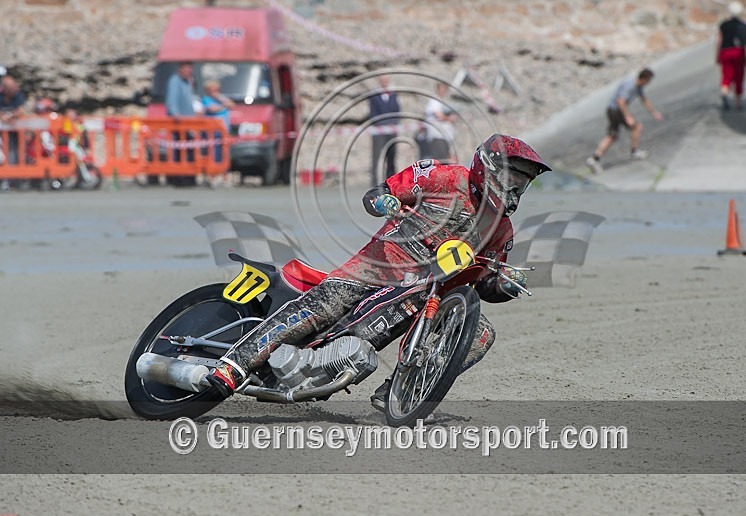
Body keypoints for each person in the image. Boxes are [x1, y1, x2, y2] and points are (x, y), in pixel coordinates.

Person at [203, 134, 552, 411]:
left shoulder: (501, 229)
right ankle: (234, 365)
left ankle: (402, 391)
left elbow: (484, 284)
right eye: (511, 178)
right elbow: (380, 192)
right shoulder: (444, 178)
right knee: (325, 303)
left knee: (482, 333)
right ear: (489, 167)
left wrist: (504, 284)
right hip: (380, 264)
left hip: (427, 293)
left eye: (521, 184)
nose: (514, 189)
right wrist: (383, 201)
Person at [586, 68, 663, 174]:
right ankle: (634, 152)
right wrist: (627, 117)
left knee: (612, 136)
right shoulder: (630, 85)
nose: (648, 83)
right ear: (644, 79)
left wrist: (654, 112)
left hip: (614, 110)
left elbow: (644, 100)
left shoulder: (638, 86)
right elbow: (621, 101)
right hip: (616, 111)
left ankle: (594, 159)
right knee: (637, 127)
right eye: (649, 81)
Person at [164, 61, 196, 186]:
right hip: (179, 123)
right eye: (186, 69)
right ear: (180, 69)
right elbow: (172, 100)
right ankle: (178, 176)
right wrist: (175, 115)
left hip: (189, 122)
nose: (189, 71)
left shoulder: (188, 82)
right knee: (179, 149)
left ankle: (189, 175)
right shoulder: (175, 81)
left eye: (190, 69)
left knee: (189, 149)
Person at [368, 74, 401, 187]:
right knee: (376, 157)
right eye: (383, 80)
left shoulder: (393, 94)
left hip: (391, 132)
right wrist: (382, 125)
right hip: (379, 132)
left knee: (391, 157)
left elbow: (397, 110)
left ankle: (391, 183)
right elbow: (373, 113)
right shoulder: (374, 95)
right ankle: (374, 183)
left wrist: (393, 124)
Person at [717, 2, 746, 110]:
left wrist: (717, 55)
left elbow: (719, 41)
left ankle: (724, 93)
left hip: (725, 51)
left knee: (726, 76)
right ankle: (738, 102)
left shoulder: (724, 25)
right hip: (738, 52)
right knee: (739, 77)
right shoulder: (744, 26)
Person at [423, 82, 458, 163]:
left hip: (443, 136)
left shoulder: (440, 101)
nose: (444, 91)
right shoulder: (434, 101)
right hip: (437, 136)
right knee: (440, 161)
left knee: (445, 160)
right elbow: (439, 115)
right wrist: (450, 119)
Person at [201, 79, 233, 166]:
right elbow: (212, 109)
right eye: (213, 90)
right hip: (213, 131)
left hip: (224, 129)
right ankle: (215, 167)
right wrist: (223, 105)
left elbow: (231, 104)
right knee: (214, 150)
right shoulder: (206, 99)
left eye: (217, 89)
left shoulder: (221, 98)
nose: (215, 92)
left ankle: (222, 167)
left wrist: (220, 98)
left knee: (224, 151)